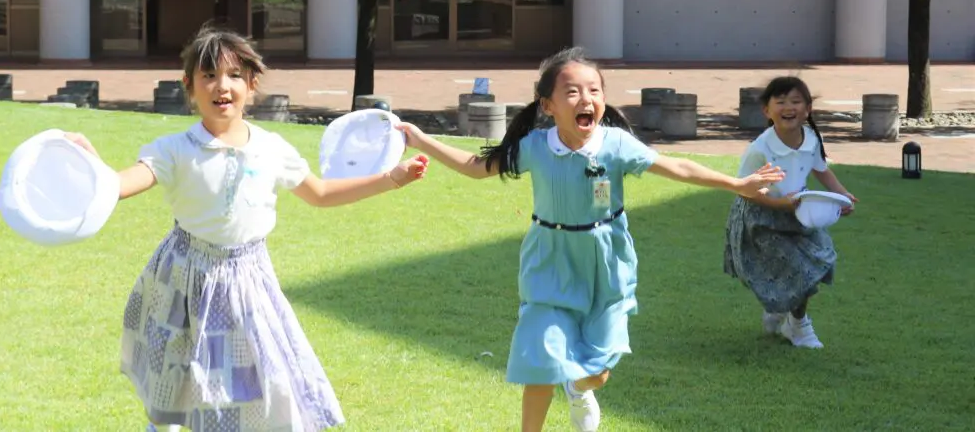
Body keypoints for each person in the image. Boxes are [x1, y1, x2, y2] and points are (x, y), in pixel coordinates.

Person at [396, 47, 784, 432]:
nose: (587, 99)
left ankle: (578, 388)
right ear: (547, 105)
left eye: (595, 90)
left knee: (598, 371)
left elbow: (676, 166)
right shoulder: (535, 147)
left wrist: (737, 184)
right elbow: (477, 167)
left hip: (606, 263)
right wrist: (419, 138)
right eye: (573, 92)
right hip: (549, 260)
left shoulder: (615, 144)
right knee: (541, 361)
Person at [65, 26, 429, 432]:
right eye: (208, 75)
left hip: (249, 280)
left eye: (234, 75)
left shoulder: (271, 148)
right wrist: (92, 169)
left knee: (261, 379)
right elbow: (123, 183)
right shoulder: (174, 150)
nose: (222, 86)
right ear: (189, 86)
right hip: (184, 276)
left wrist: (391, 178)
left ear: (252, 85)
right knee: (176, 370)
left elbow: (321, 192)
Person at [724, 76, 857, 350]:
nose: (789, 107)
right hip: (760, 217)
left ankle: (786, 314)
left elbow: (821, 169)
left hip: (800, 213)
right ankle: (798, 325)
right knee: (795, 269)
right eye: (781, 101)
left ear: (807, 109)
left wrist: (841, 194)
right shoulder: (760, 148)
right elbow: (744, 189)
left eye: (796, 101)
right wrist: (779, 204)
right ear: (767, 111)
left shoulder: (811, 138)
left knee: (820, 261)